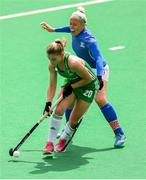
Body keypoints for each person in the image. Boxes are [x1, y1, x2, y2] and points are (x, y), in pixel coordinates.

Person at [40, 7, 126, 148]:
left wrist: (99, 76)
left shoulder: (89, 40)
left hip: (98, 69)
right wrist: (53, 30)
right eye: (70, 23)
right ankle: (68, 130)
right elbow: (68, 29)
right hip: (81, 67)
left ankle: (119, 133)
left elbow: (99, 58)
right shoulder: (75, 30)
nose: (71, 27)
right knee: (68, 97)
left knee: (100, 99)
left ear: (83, 26)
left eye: (74, 24)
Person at [43, 39, 98, 154]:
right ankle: (49, 143)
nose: (51, 61)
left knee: (73, 120)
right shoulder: (52, 66)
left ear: (62, 55)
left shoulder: (73, 63)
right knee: (58, 110)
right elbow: (52, 85)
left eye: (54, 59)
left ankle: (63, 140)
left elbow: (88, 78)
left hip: (89, 86)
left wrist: (72, 87)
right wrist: (48, 103)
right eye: (49, 58)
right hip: (72, 81)